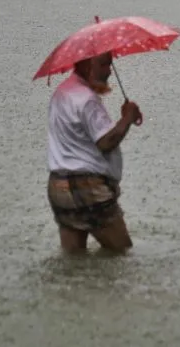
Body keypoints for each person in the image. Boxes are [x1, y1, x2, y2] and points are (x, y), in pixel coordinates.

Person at [46, 53, 143, 254]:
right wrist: (128, 118)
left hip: (59, 187)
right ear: (88, 64)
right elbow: (106, 142)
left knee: (74, 261)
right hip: (88, 189)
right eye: (104, 64)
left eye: (110, 63)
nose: (109, 70)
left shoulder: (61, 93)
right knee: (121, 253)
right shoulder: (87, 99)